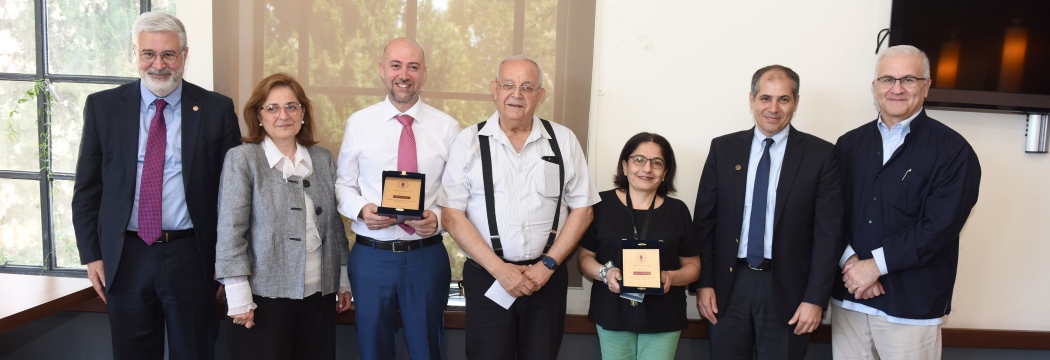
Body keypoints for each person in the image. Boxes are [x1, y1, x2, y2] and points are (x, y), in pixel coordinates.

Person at [71, 10, 240, 360]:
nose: (158, 64)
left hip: (192, 257)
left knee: (194, 353)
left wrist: (228, 262)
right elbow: (87, 190)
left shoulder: (216, 109)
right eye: (148, 54)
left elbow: (234, 197)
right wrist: (92, 255)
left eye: (168, 54)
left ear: (184, 56)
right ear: (134, 53)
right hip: (125, 258)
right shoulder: (103, 107)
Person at [440, 55, 600, 359]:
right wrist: (501, 271)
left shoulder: (563, 140)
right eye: (508, 85)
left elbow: (584, 210)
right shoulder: (469, 142)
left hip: (546, 278)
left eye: (527, 87)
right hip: (488, 277)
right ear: (494, 89)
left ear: (540, 95)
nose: (516, 94)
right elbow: (452, 216)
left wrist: (548, 265)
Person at [831, 45, 981, 360]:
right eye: (887, 79)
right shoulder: (848, 145)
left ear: (926, 86)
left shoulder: (954, 152)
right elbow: (829, 214)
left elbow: (938, 228)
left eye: (908, 79)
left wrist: (873, 267)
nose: (896, 88)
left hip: (911, 309)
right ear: (875, 88)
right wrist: (850, 264)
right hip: (849, 302)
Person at [689, 65, 843, 359]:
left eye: (784, 99)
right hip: (728, 287)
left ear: (796, 102)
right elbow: (704, 224)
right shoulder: (723, 149)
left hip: (789, 291)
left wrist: (815, 299)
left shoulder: (821, 155)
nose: (773, 108)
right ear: (751, 100)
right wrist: (704, 283)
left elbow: (828, 234)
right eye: (765, 98)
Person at [335, 37, 459, 360]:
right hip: (372, 257)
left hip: (426, 257)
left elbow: (459, 195)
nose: (404, 74)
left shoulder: (448, 128)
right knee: (373, 352)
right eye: (396, 65)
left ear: (424, 73)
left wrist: (439, 218)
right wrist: (362, 210)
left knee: (427, 351)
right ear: (382, 70)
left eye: (412, 67)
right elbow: (342, 187)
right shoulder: (359, 124)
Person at [214, 73, 351, 359]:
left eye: (291, 106)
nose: (283, 115)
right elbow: (230, 231)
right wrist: (238, 296)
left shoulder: (322, 158)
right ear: (258, 115)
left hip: (319, 296)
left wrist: (342, 279)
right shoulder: (243, 159)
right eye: (272, 108)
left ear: (303, 112)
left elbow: (334, 226)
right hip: (263, 297)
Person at [578, 132, 700, 360]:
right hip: (612, 311)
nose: (647, 168)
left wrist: (671, 277)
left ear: (665, 173)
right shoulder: (600, 205)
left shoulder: (678, 211)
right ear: (625, 166)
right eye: (638, 159)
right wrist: (605, 273)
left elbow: (693, 266)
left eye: (657, 163)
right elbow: (584, 258)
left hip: (663, 315)